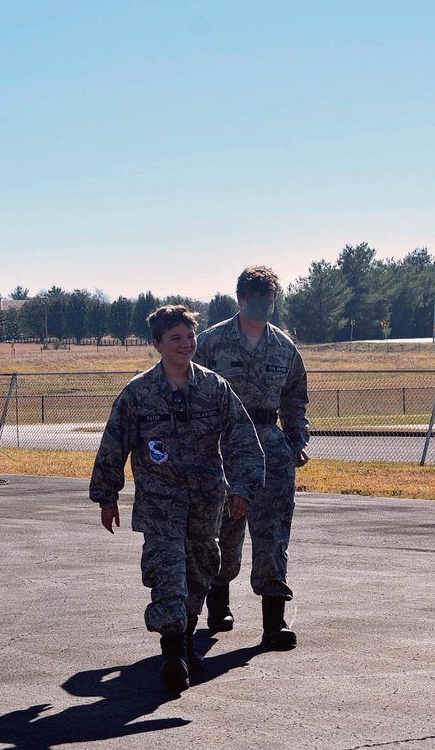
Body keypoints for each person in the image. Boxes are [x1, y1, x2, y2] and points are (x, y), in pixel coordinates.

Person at [90, 305, 265, 694]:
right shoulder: (138, 393)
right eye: (176, 338)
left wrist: (242, 487)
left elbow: (242, 439)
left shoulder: (214, 388)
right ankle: (172, 653)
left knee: (199, 571)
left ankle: (186, 639)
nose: (186, 344)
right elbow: (113, 445)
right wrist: (107, 496)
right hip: (160, 503)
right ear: (158, 344)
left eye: (190, 336)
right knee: (167, 570)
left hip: (206, 501)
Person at [193, 265, 309, 650]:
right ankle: (218, 601)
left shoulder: (284, 347)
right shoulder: (212, 342)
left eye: (268, 300)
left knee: (273, 534)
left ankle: (274, 623)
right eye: (254, 299)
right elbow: (193, 393)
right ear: (240, 298)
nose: (262, 306)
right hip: (225, 448)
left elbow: (295, 399)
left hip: (272, 449)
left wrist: (296, 441)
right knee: (225, 529)